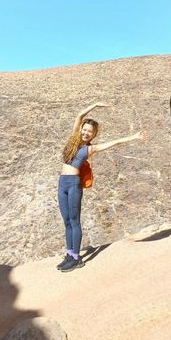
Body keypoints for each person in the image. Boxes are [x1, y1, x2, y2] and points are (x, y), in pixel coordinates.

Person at [56, 102, 143, 272]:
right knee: (66, 221)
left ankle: (76, 257)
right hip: (62, 184)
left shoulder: (90, 149)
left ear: (93, 134)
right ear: (81, 128)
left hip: (74, 184)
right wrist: (95, 104)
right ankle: (69, 253)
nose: (86, 132)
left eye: (90, 131)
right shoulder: (73, 138)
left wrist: (133, 137)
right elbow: (79, 115)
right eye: (85, 129)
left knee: (74, 220)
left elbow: (114, 143)